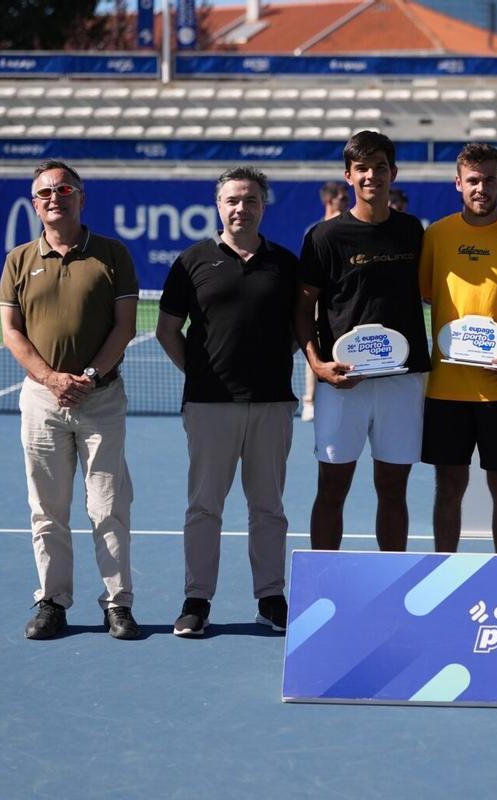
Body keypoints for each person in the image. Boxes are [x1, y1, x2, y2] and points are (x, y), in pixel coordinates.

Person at [0, 159, 139, 640]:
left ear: (81, 197)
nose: (54, 198)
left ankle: (117, 604)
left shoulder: (113, 254)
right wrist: (52, 379)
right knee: (47, 508)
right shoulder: (18, 259)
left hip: (101, 399)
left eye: (64, 189)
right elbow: (12, 332)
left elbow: (125, 326)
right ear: (35, 204)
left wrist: (89, 375)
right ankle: (52, 602)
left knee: (109, 505)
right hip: (42, 401)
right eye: (44, 193)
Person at [155, 166, 299, 637]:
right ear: (219, 206)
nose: (241, 208)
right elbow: (168, 330)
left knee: (268, 508)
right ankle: (197, 600)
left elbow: (299, 332)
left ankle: (271, 599)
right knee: (203, 507)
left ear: (263, 206)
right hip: (209, 406)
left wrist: (270, 364)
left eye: (251, 200)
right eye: (233, 200)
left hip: (272, 404)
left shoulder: (285, 262)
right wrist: (199, 373)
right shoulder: (191, 261)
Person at [296, 130, 430, 552]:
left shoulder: (413, 231)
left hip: (402, 381)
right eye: (362, 168)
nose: (372, 175)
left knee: (394, 487)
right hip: (344, 382)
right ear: (349, 176)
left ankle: (390, 582)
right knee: (332, 486)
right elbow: (302, 310)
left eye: (380, 167)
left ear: (393, 173)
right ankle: (322, 586)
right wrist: (318, 367)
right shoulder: (324, 236)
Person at [420, 143, 497, 554]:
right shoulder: (436, 235)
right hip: (446, 389)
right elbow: (422, 296)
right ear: (458, 183)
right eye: (473, 180)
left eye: (490, 179)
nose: (481, 187)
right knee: (448, 485)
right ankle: (443, 569)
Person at [300, 181, 351, 423]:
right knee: (316, 348)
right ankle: (309, 400)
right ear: (329, 201)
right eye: (342, 197)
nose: (347, 200)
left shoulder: (351, 226)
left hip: (343, 302)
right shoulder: (316, 231)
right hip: (321, 298)